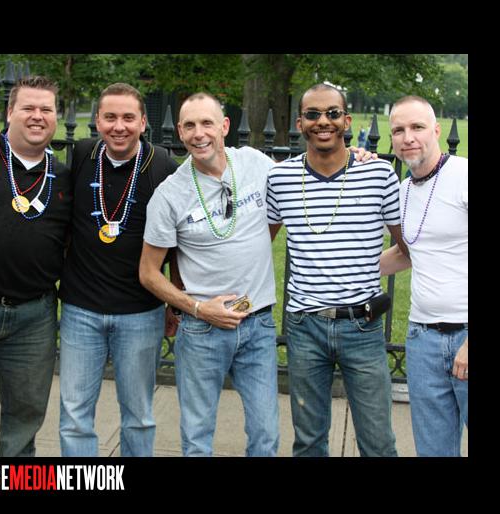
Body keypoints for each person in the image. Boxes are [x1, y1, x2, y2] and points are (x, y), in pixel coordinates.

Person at [266, 83, 408, 457]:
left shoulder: (378, 174)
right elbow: (259, 244)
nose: (323, 121)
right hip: (304, 326)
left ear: (346, 120)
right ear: (300, 123)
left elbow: (408, 246)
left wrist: (362, 266)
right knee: (309, 441)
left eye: (332, 113)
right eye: (313, 114)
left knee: (378, 442)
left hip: (362, 326)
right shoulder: (280, 179)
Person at [138, 92, 280, 457]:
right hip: (202, 331)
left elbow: (304, 178)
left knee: (266, 434)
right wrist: (199, 309)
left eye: (207, 123)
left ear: (225, 126)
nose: (198, 133)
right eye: (189, 125)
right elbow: (149, 273)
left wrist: (355, 155)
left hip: (257, 323)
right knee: (197, 438)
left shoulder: (255, 164)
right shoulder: (170, 194)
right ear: (180, 132)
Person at [58, 83, 179, 457]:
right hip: (80, 310)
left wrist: (174, 300)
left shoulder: (162, 166)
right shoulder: (82, 154)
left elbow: (180, 241)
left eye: (128, 117)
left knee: (138, 416)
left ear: (143, 122)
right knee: (75, 416)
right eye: (110, 117)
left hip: (140, 312)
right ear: (97, 121)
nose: (119, 126)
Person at [0, 76, 72, 456]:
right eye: (28, 107)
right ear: (10, 112)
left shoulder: (63, 177)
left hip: (33, 318)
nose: (37, 116)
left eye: (46, 109)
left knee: (24, 423)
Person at [381, 95, 468, 457]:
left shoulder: (463, 176)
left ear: (436, 130)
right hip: (422, 341)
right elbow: (408, 253)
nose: (408, 137)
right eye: (398, 130)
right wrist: (348, 269)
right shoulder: (402, 192)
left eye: (417, 127)